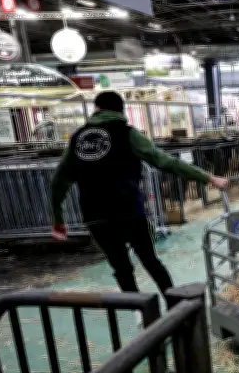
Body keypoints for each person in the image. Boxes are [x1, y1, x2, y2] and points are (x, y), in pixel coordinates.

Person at [50, 91, 229, 300]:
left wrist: (58, 220)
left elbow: (58, 182)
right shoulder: (127, 133)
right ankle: (176, 309)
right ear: (121, 110)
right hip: (129, 212)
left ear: (96, 109)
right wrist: (208, 178)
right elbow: (164, 161)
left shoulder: (77, 139)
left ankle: (141, 315)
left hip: (95, 216)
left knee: (122, 269)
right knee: (150, 261)